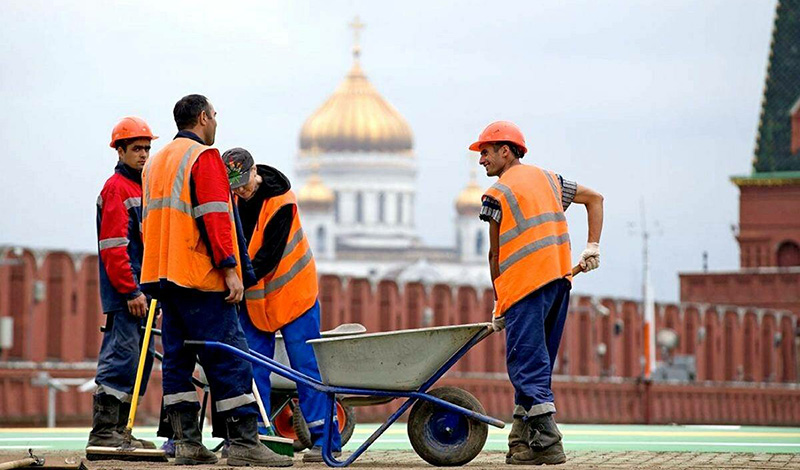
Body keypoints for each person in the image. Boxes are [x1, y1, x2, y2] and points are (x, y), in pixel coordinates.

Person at [140, 94, 291, 467]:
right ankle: (242, 443)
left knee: (177, 360)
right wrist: (230, 269)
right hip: (199, 277)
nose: (216, 123)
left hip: (163, 276)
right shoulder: (203, 158)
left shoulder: (155, 162)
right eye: (215, 115)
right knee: (229, 357)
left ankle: (187, 443)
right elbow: (214, 216)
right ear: (204, 117)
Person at [471, 121, 604, 465]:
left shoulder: (496, 195)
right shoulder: (550, 180)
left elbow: (495, 255)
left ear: (506, 150)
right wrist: (593, 246)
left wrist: (500, 304)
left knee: (526, 364)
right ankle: (522, 441)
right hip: (559, 283)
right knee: (537, 365)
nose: (481, 160)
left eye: (485, 152)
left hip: (525, 289)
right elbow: (596, 199)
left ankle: (548, 441)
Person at [221, 148, 342, 463]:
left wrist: (234, 282)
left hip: (294, 294)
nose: (240, 191)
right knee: (251, 366)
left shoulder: (282, 202)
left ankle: (325, 441)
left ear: (254, 173)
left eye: (243, 184)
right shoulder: (232, 199)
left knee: (306, 367)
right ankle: (257, 438)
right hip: (257, 298)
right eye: (233, 187)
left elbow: (267, 258)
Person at [89, 117, 158, 451]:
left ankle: (122, 432)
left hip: (143, 294)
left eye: (147, 148)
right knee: (122, 359)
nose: (143, 154)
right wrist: (130, 290)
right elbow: (115, 247)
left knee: (139, 363)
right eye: (136, 149)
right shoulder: (118, 189)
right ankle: (104, 433)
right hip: (127, 295)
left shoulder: (142, 188)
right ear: (120, 150)